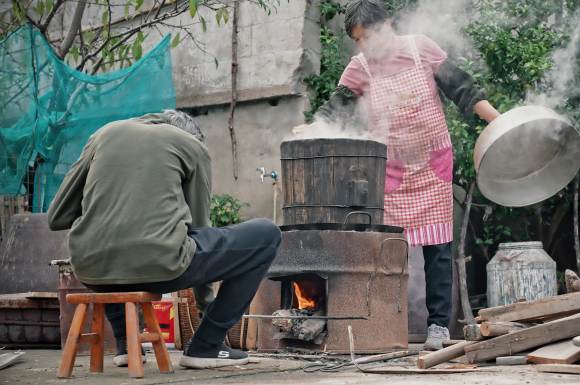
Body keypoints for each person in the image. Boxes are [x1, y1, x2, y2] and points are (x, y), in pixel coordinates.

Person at [297, 0, 500, 350]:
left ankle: (438, 327)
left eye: (369, 35)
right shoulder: (360, 66)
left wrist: (500, 122)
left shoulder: (421, 49)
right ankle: (389, 323)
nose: (365, 45)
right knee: (390, 250)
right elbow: (338, 106)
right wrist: (311, 128)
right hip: (390, 171)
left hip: (432, 165)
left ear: (387, 24)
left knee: (438, 248)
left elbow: (462, 89)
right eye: (358, 40)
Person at [47, 110, 282, 368]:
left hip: (90, 269)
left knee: (114, 247)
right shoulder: (192, 147)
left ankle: (127, 345)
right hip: (162, 267)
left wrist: (107, 212)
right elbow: (199, 227)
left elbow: (56, 217)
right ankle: (207, 346)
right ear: (191, 136)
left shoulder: (103, 134)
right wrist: (205, 304)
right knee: (266, 235)